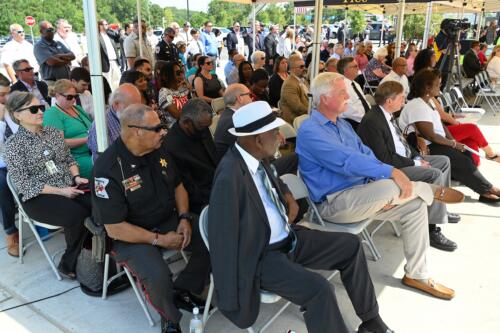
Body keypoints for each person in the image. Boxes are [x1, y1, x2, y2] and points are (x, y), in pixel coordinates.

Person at [209, 100, 394, 333]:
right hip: (262, 255)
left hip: (289, 238)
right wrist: (230, 296)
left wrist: (287, 196)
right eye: (275, 132)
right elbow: (221, 240)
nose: (280, 137)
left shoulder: (256, 157)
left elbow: (273, 180)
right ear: (257, 140)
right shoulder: (229, 177)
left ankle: (371, 320)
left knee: (350, 245)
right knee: (319, 290)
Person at [296, 72, 459, 300]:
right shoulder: (311, 131)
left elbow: (365, 153)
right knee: (394, 186)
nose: (348, 97)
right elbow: (347, 161)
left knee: (415, 206)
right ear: (324, 98)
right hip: (335, 204)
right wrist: (391, 172)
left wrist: (384, 174)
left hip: (363, 194)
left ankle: (417, 274)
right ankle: (426, 189)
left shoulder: (341, 124)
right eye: (342, 92)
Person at [92, 103, 211, 333]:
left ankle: (184, 288)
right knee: (157, 276)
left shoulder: (158, 149)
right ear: (136, 131)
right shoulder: (107, 169)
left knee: (213, 234)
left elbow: (178, 186)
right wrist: (159, 240)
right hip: (131, 234)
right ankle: (170, 318)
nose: (164, 131)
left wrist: (185, 217)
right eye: (157, 128)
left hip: (169, 219)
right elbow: (115, 228)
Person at [358, 81, 459, 251]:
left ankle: (440, 206)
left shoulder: (388, 115)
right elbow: (385, 158)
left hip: (405, 159)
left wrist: (418, 156)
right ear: (389, 101)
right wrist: (416, 162)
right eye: (401, 98)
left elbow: (402, 143)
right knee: (434, 174)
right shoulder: (372, 121)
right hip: (392, 168)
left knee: (443, 161)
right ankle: (432, 228)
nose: (404, 101)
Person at [5, 91, 90, 279]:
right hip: (38, 196)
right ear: (17, 115)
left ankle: (93, 255)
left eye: (41, 107)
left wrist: (76, 177)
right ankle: (69, 262)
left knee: (101, 202)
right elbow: (25, 184)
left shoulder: (51, 132)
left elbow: (69, 159)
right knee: (77, 215)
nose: (41, 112)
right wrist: (61, 191)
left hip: (68, 185)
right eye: (34, 109)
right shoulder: (13, 145)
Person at [398, 69, 500, 204]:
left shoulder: (428, 101)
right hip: (427, 147)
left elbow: (441, 125)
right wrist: (452, 144)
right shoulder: (417, 105)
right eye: (437, 84)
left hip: (436, 143)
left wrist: (452, 140)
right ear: (427, 87)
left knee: (466, 154)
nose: (439, 87)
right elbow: (430, 135)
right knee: (462, 160)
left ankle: (483, 189)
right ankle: (488, 189)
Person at [164, 99, 218, 214]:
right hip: (204, 201)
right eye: (202, 128)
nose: (205, 132)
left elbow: (214, 157)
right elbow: (190, 189)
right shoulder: (172, 147)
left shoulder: (201, 127)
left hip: (219, 183)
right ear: (186, 122)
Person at [42, 79, 93, 179]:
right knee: (107, 165)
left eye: (75, 96)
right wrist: (88, 139)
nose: (73, 99)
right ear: (57, 95)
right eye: (69, 97)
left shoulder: (77, 108)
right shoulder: (52, 114)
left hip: (92, 151)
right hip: (75, 158)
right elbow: (58, 143)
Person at [87, 83, 142, 161]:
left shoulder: (134, 115)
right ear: (116, 104)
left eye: (138, 106)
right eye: (131, 107)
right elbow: (103, 163)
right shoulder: (100, 128)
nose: (136, 111)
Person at [0, 74, 18, 257]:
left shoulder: (11, 111)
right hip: (2, 164)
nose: (5, 99)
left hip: (17, 159)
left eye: (7, 94)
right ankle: (11, 232)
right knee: (2, 182)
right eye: (1, 95)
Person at [214, 84, 253, 157]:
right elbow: (252, 148)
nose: (252, 99)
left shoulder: (231, 115)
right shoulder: (232, 122)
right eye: (249, 95)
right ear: (240, 98)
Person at [337, 57, 371, 130]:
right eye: (355, 66)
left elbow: (364, 102)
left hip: (363, 119)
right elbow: (349, 111)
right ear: (345, 70)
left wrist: (371, 114)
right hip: (351, 124)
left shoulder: (355, 84)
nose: (358, 68)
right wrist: (368, 119)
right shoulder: (341, 86)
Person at [158, 61, 191, 126]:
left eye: (181, 72)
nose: (181, 76)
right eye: (178, 73)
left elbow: (195, 104)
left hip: (189, 124)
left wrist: (190, 90)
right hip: (176, 129)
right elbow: (178, 115)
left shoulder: (183, 88)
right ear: (166, 77)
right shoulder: (164, 92)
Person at [280, 55, 309, 124]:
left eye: (304, 66)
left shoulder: (303, 80)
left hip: (305, 117)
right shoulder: (289, 84)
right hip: (295, 121)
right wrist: (315, 112)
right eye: (301, 67)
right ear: (293, 69)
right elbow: (298, 108)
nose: (304, 68)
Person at [98, 19, 120, 90]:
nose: (107, 26)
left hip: (114, 61)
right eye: (105, 24)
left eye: (107, 24)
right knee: (109, 82)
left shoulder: (109, 35)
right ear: (100, 26)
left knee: (118, 80)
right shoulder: (97, 36)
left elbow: (118, 37)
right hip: (106, 63)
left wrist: (112, 29)